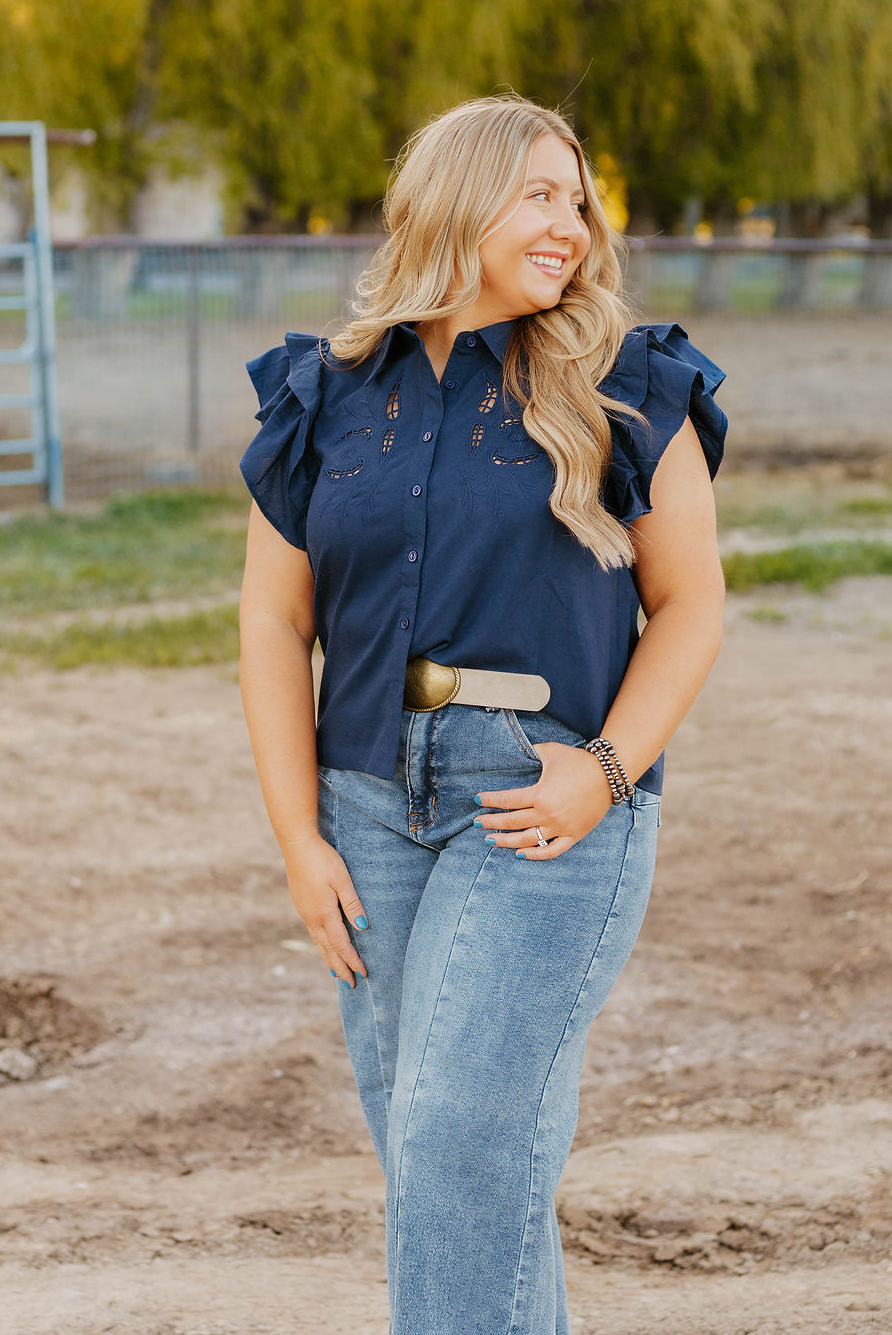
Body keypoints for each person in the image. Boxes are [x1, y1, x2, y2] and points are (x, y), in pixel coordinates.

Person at [237, 92, 728, 1335]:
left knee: (458, 1132)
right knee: (442, 1148)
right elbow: (272, 625)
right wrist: (299, 841)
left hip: (545, 797)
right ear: (454, 200)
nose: (569, 222)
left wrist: (603, 772)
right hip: (364, 804)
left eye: (578, 199)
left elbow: (691, 607)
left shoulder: (630, 383)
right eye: (538, 194)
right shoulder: (321, 394)